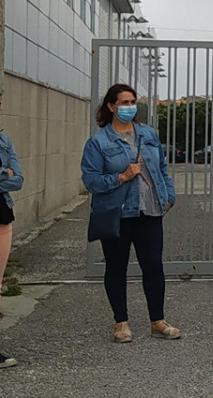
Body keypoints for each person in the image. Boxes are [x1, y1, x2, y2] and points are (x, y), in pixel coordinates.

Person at [81, 84, 179, 343]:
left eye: (132, 101)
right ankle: (120, 322)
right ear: (111, 106)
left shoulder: (147, 134)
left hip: (150, 212)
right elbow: (91, 181)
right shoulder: (98, 142)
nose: (129, 107)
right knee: (116, 267)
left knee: (154, 266)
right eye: (124, 102)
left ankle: (157, 321)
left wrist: (169, 197)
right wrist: (121, 176)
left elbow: (162, 168)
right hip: (118, 214)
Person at [0, 94, 24, 368]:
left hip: (1, 220)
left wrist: (7, 175)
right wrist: (3, 174)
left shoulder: (4, 141)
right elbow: (8, 176)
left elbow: (18, 179)